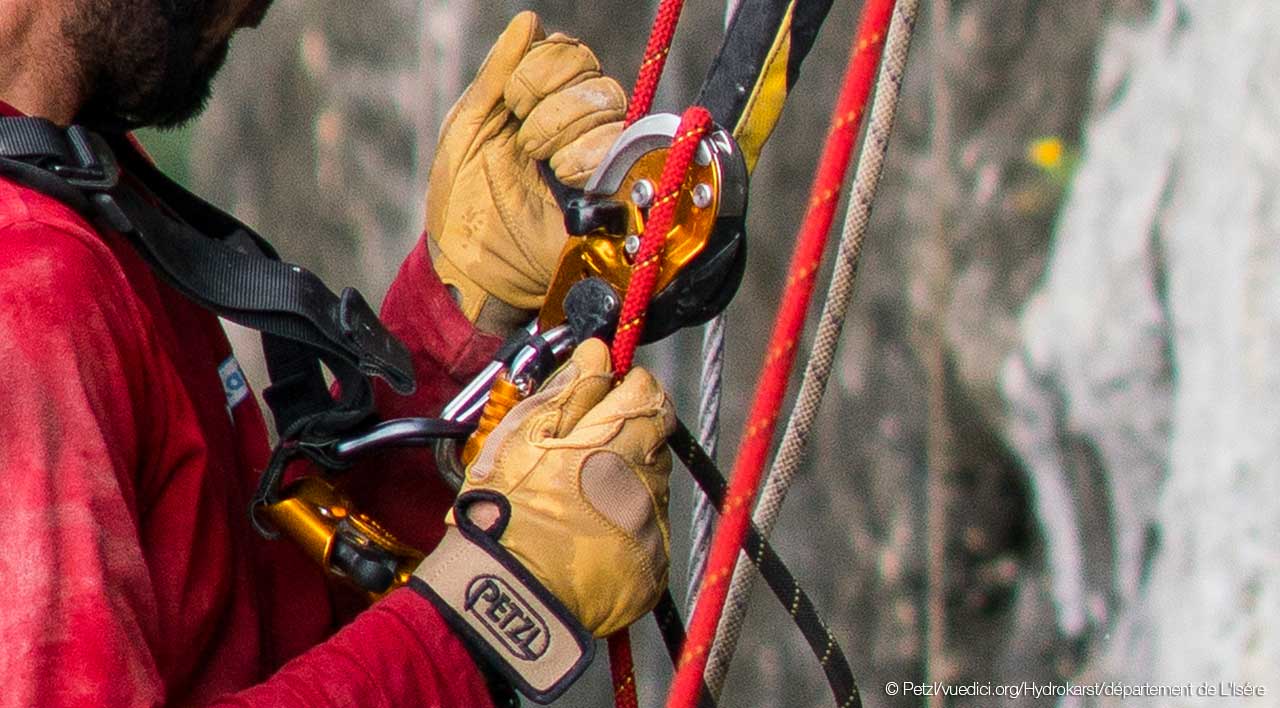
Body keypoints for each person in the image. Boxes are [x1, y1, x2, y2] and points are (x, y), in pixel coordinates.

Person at [0, 1, 674, 705]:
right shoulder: (27, 292)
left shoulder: (66, 170)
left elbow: (250, 637)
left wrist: (453, 328)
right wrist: (490, 609)